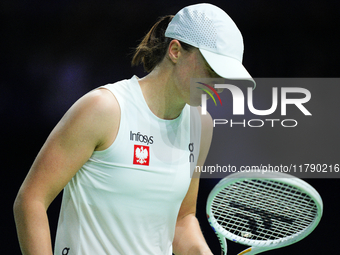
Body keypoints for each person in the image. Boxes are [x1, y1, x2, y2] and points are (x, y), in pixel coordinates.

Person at [13, 3, 253, 255]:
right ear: (175, 51)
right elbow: (31, 201)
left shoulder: (201, 125)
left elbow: (182, 220)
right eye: (211, 71)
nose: (218, 85)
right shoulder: (105, 109)